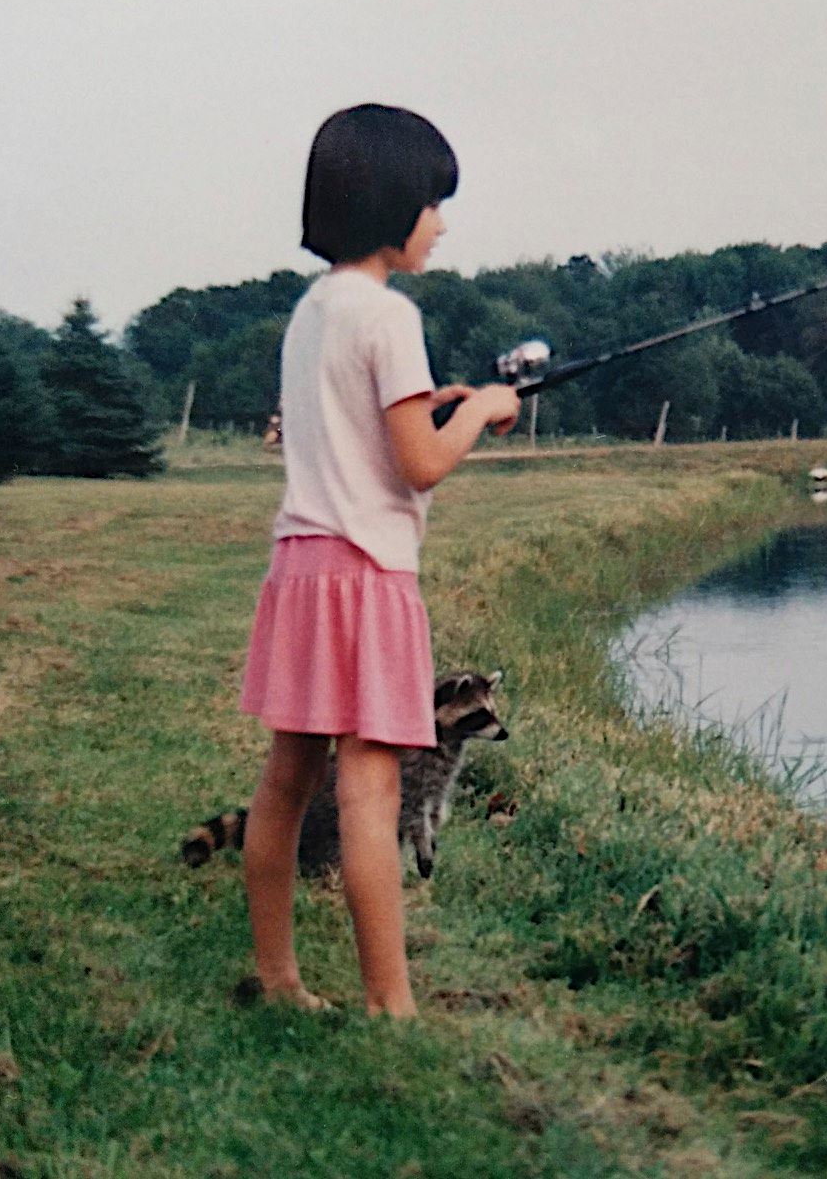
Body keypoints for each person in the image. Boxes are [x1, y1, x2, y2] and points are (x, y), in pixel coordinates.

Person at [237, 104, 521, 1018]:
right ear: (393, 205)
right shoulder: (391, 316)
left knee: (287, 779)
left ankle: (280, 979)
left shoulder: (312, 312)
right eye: (435, 204)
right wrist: (481, 412)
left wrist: (435, 399)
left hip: (301, 566)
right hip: (368, 577)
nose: (441, 223)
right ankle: (390, 1004)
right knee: (369, 785)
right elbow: (420, 462)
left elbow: (342, 428)